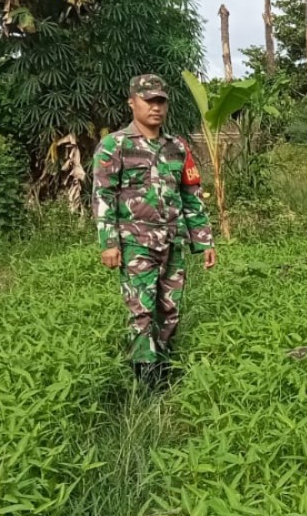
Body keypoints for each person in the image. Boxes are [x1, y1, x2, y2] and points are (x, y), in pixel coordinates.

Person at [91, 74, 217, 388]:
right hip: (135, 243)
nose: (156, 107)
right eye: (149, 100)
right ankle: (146, 380)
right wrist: (109, 242)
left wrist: (203, 240)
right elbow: (103, 195)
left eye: (161, 101)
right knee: (141, 308)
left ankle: (164, 366)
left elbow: (191, 193)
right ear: (132, 102)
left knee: (169, 308)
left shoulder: (177, 147)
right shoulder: (114, 146)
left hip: (172, 241)